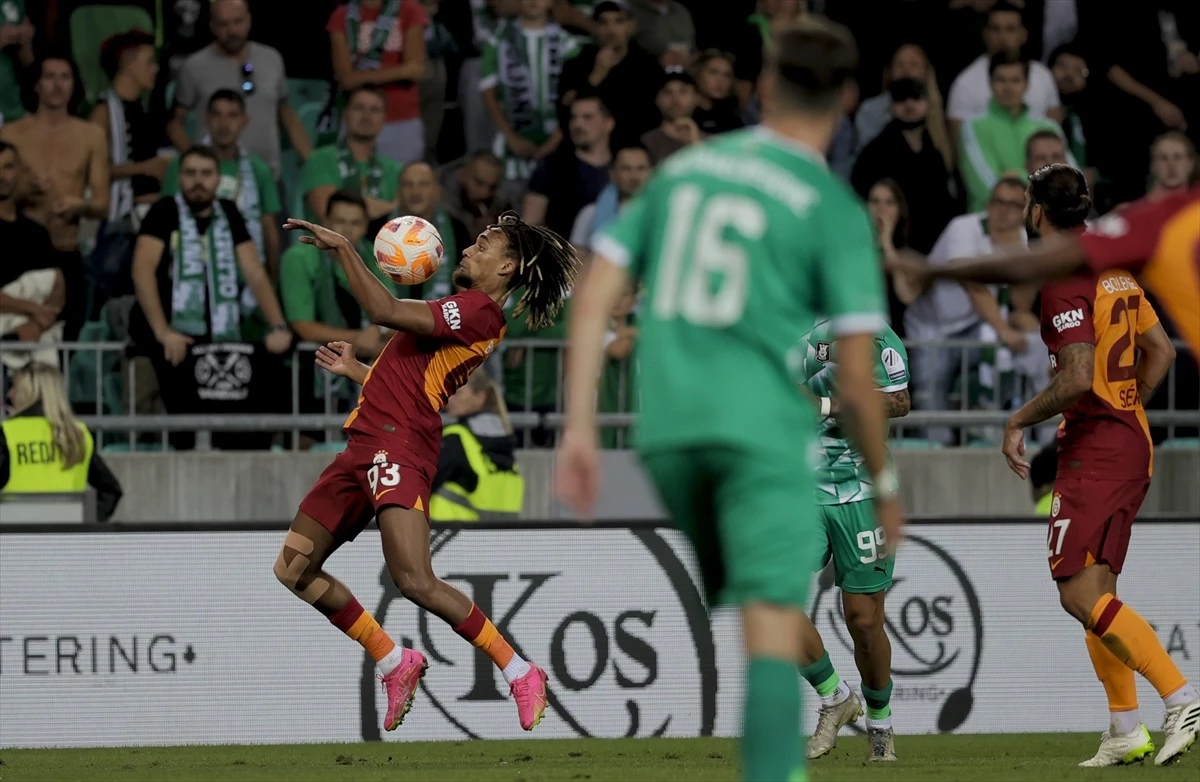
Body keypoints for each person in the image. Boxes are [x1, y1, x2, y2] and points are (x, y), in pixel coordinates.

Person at [555, 19, 904, 782]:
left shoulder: (684, 172)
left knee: (770, 619)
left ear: (763, 90)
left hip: (672, 435)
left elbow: (597, 295)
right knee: (773, 631)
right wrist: (884, 481)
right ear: (847, 99)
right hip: (761, 436)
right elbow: (856, 377)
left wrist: (579, 424)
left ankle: (842, 704)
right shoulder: (831, 208)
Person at [275, 210, 578, 734]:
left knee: (414, 579)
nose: (468, 248)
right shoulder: (457, 310)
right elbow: (413, 384)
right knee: (293, 569)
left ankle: (521, 671)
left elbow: (383, 308)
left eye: (483, 245)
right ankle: (394, 661)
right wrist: (359, 373)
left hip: (400, 447)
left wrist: (345, 247)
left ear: (506, 267)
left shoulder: (480, 311)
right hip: (366, 444)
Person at [1001, 164, 1196, 767]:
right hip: (1131, 441)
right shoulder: (1115, 269)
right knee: (1099, 587)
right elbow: (1159, 350)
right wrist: (1128, 403)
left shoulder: (1062, 278)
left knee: (1075, 591)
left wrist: (1017, 420)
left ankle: (1181, 697)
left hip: (1096, 449)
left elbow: (1078, 376)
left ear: (1038, 212)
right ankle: (1125, 727)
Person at [892, 185, 1200, 359]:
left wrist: (932, 269)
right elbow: (1162, 352)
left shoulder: (1166, 218)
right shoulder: (1164, 221)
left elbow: (1078, 376)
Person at [799, 318, 911, 763]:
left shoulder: (876, 336)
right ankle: (835, 695)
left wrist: (824, 406)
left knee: (864, 621)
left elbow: (900, 402)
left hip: (863, 491)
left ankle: (880, 726)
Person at [129, 146, 292, 421]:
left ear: (218, 179)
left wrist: (278, 326)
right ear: (179, 178)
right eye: (190, 173)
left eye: (206, 173)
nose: (198, 181)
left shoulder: (228, 212)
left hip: (217, 338)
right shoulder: (163, 210)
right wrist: (163, 331)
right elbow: (141, 271)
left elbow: (254, 272)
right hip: (167, 339)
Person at [0, 55, 109, 340]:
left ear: (74, 85)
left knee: (65, 343)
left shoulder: (92, 135)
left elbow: (102, 204)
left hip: (66, 248)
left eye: (65, 77)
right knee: (15, 338)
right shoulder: (12, 133)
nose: (57, 85)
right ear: (36, 84)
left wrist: (79, 205)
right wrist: (27, 191)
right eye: (50, 77)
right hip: (17, 250)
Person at [168, 0, 312, 177]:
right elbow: (175, 125)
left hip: (268, 176)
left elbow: (287, 116)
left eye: (238, 22)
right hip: (216, 180)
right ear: (212, 26)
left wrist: (312, 161)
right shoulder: (194, 67)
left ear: (249, 20)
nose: (232, 31)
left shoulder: (272, 59)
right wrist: (198, 161)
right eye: (223, 24)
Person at [161, 90, 281, 281]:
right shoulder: (182, 165)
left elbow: (269, 231)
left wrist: (273, 280)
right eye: (217, 114)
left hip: (246, 281)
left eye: (232, 115)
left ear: (244, 121)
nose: (224, 124)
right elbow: (164, 222)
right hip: (189, 274)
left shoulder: (260, 171)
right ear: (207, 119)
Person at [0, 362, 123, 522]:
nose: (10, 394)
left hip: (17, 537)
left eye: (14, 387)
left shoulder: (8, 433)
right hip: (67, 538)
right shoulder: (78, 435)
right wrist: (85, 523)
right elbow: (110, 491)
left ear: (29, 391)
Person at [960, 52, 1074, 212]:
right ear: (990, 83)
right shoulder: (973, 126)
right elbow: (988, 189)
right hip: (992, 226)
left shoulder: (1049, 127)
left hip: (1047, 223)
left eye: (1015, 80)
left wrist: (1015, 175)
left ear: (1026, 84)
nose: (1008, 87)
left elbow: (1072, 181)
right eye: (1001, 80)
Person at [480, 0, 577, 182]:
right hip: (510, 145)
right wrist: (511, 137)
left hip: (559, 143)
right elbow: (488, 93)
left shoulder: (569, 44)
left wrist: (554, 141)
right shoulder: (497, 41)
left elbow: (576, 97)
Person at [327, 0, 430, 164]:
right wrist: (400, 71)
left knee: (401, 185)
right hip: (357, 120)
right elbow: (346, 79)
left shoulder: (410, 10)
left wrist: (361, 76)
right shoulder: (341, 16)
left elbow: (416, 70)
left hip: (401, 121)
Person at [421, 368, 525, 521]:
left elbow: (420, 485)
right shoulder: (504, 442)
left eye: (458, 393)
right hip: (499, 540)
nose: (450, 398)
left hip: (447, 536)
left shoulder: (455, 439)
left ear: (480, 396)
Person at [557, 1, 660, 147]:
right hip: (587, 147)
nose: (611, 29)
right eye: (603, 22)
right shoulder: (577, 64)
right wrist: (597, 74)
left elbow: (652, 116)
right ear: (595, 27)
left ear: (630, 26)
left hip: (634, 149)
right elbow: (566, 111)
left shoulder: (647, 66)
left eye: (619, 21)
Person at [0, 141, 65, 370]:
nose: (2, 176)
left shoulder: (35, 232)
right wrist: (31, 309)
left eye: (8, 167)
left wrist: (35, 326)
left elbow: (57, 286)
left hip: (32, 332)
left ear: (18, 172)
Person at [301, 86, 402, 228]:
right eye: (359, 108)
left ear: (384, 119)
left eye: (374, 110)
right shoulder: (320, 160)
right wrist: (389, 207)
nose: (366, 116)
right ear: (345, 114)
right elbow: (329, 213)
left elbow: (403, 220)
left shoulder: (395, 169)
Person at [397, 161, 472, 300]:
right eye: (408, 185)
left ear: (437, 191)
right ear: (398, 190)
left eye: (423, 184)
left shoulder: (457, 229)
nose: (415, 192)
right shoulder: (378, 228)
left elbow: (465, 285)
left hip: (443, 317)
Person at [640, 67, 704, 165]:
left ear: (696, 98)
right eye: (667, 92)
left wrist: (695, 144)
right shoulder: (645, 143)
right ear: (657, 99)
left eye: (683, 92)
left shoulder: (714, 143)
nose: (675, 99)